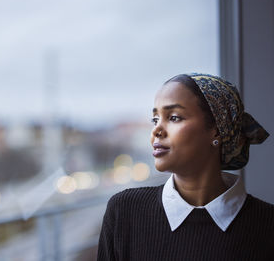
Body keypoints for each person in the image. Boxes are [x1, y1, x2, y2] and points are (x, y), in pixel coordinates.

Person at [97, 73, 274, 261]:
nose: (156, 130)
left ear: (217, 130)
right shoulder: (124, 212)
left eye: (173, 117)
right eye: (155, 119)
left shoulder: (268, 225)